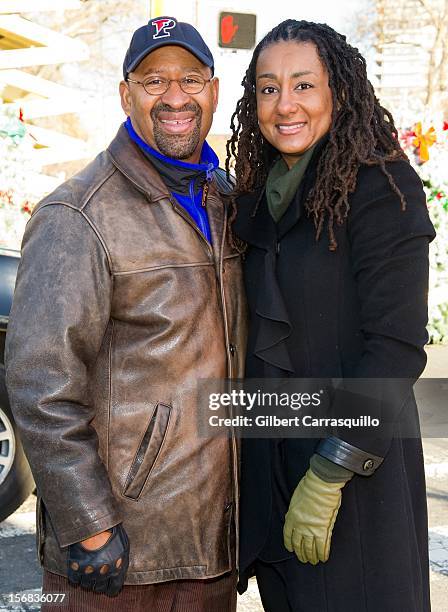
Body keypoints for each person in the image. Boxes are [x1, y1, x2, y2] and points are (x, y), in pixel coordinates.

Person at [5, 16, 246, 612]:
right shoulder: (78, 214)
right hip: (119, 554)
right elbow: (41, 383)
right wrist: (88, 523)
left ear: (213, 91)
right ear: (126, 94)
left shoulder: (226, 200)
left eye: (190, 79)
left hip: (212, 547)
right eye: (153, 81)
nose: (174, 97)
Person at [227, 19, 435, 612]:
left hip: (351, 482)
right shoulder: (257, 192)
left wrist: (329, 473)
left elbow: (395, 349)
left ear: (338, 92)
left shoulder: (381, 186)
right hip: (272, 472)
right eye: (268, 89)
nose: (284, 104)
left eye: (303, 85)